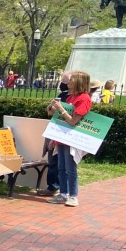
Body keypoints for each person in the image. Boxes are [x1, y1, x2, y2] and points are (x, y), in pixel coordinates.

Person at [45, 70, 91, 208]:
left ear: (78, 82)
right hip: (62, 137)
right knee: (61, 167)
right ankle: (63, 193)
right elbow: (60, 120)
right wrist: (54, 138)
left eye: (71, 80)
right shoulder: (71, 98)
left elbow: (73, 122)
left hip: (73, 139)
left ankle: (73, 196)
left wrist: (61, 109)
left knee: (71, 168)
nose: (67, 83)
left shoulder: (84, 98)